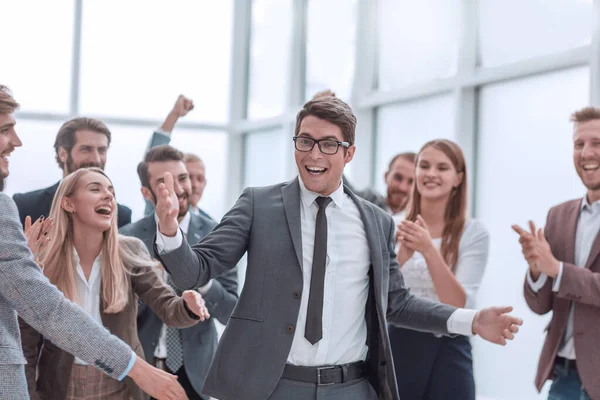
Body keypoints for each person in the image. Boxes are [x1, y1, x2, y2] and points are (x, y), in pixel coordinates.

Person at [152, 95, 522, 400]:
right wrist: (170, 233)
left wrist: (471, 320)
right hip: (271, 388)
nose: (314, 154)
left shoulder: (376, 221)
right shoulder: (257, 205)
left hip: (352, 389)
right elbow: (195, 270)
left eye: (329, 144)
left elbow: (397, 302)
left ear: (349, 153)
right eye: (305, 141)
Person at [0, 84, 187, 399]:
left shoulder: (124, 229)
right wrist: (24, 269)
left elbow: (152, 194)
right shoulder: (22, 206)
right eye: (6, 129)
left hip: (112, 378)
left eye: (103, 151)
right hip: (59, 378)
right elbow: (41, 311)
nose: (97, 158)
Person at [20, 167, 210, 399]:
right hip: (60, 387)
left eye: (111, 190)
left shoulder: (129, 250)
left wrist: (188, 306)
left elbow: (168, 308)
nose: (108, 195)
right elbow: (25, 343)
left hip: (122, 386)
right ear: (69, 204)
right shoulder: (44, 259)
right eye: (95, 189)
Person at [121, 145, 238, 399]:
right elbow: (118, 313)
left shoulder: (218, 234)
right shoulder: (127, 238)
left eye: (182, 178)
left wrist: (199, 278)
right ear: (146, 192)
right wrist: (153, 281)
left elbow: (231, 312)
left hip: (196, 373)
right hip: (141, 369)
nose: (178, 189)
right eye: (165, 182)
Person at [390, 139, 489, 399]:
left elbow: (460, 304)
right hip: (397, 345)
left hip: (451, 347)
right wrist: (402, 255)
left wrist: (428, 250)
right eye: (424, 166)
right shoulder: (390, 225)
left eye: (442, 168)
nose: (431, 174)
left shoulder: (473, 233)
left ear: (458, 178)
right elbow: (375, 293)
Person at [513, 106, 600, 400]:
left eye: (597, 143)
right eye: (579, 144)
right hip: (563, 378)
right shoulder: (558, 215)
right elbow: (541, 305)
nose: (586, 153)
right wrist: (537, 269)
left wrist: (556, 269)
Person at [12, 117, 132, 227]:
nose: (96, 159)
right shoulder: (26, 205)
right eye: (86, 149)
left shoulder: (120, 215)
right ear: (63, 154)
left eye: (102, 150)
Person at [143, 95, 212, 219]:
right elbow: (152, 160)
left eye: (200, 179)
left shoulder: (213, 226)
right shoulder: (160, 211)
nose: (195, 185)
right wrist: (174, 115)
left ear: (205, 184)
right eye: (188, 177)